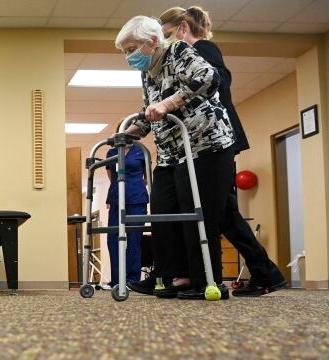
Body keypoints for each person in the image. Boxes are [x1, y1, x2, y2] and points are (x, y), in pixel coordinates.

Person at [159, 6, 287, 297]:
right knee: (226, 212)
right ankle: (266, 273)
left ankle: (245, 274)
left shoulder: (203, 48)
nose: (166, 42)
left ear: (181, 28)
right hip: (209, 142)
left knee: (219, 212)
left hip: (218, 140)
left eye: (167, 35)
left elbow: (216, 82)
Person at [116, 15, 233, 299]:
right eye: (125, 52)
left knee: (198, 214)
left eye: (132, 49)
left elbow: (209, 77)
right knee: (163, 211)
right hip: (171, 152)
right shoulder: (148, 72)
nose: (129, 57)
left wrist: (168, 103)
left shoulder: (178, 51)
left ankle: (206, 280)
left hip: (207, 145)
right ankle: (175, 277)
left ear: (153, 41)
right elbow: (149, 113)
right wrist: (128, 133)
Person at [104, 136, 148, 287]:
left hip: (137, 199)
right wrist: (115, 194)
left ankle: (132, 280)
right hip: (116, 199)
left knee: (134, 239)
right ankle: (117, 280)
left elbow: (147, 177)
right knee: (113, 239)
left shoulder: (141, 150)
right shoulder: (111, 152)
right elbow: (111, 177)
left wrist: (132, 188)